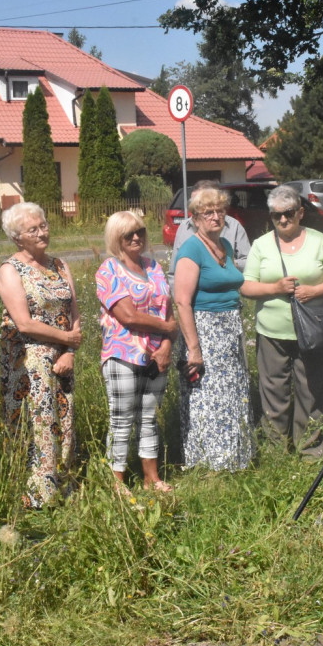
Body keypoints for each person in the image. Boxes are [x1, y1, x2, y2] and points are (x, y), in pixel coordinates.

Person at [241, 185, 323, 459]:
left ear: (300, 213)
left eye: (288, 213)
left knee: (312, 392)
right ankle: (277, 452)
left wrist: (314, 291)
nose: (283, 220)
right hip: (272, 332)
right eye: (277, 216)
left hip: (312, 330)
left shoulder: (319, 240)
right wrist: (274, 288)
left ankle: (312, 452)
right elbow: (247, 286)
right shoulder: (262, 244)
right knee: (274, 393)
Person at [0, 202, 82, 507]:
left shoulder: (59, 264)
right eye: (33, 229)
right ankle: (35, 496)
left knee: (65, 420)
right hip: (28, 362)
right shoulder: (11, 270)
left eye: (43, 225)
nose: (42, 232)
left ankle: (63, 487)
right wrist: (67, 338)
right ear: (17, 237)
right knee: (37, 424)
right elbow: (24, 323)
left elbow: (73, 310)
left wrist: (70, 349)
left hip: (62, 359)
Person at [173, 187, 254, 471]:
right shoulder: (191, 248)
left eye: (220, 211)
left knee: (231, 393)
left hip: (229, 330)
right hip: (205, 331)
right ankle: (210, 463)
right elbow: (182, 301)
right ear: (195, 218)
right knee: (209, 397)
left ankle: (234, 458)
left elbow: (239, 284)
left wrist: (277, 288)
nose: (216, 217)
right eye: (208, 212)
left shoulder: (225, 247)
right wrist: (194, 349)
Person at [96, 211, 178, 492]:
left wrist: (167, 345)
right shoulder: (108, 270)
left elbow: (168, 309)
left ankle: (151, 478)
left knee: (149, 418)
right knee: (121, 420)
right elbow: (128, 316)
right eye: (128, 234)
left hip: (157, 356)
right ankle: (116, 482)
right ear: (116, 238)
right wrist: (167, 327)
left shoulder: (154, 267)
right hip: (123, 355)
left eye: (140, 232)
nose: (135, 238)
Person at [168, 180, 251, 287]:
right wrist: (179, 299)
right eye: (193, 201)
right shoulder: (184, 227)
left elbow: (249, 261)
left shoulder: (233, 226)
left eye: (202, 201)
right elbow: (173, 272)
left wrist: (230, 263)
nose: (196, 206)